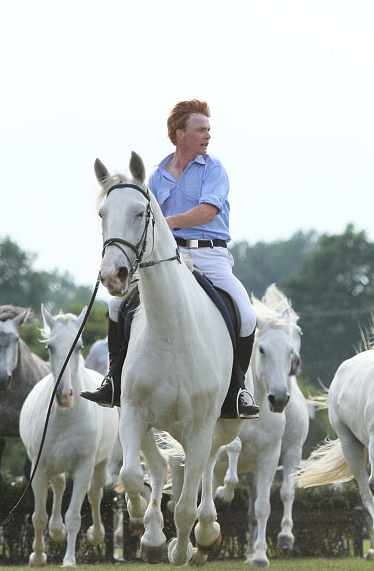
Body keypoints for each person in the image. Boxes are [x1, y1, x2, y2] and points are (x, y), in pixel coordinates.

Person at [82, 99, 259, 419]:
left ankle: (237, 390)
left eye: (209, 129)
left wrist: (168, 223)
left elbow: (208, 211)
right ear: (179, 134)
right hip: (168, 258)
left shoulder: (213, 168)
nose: (207, 135)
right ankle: (114, 380)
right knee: (116, 306)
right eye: (200, 129)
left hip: (210, 255)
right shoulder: (157, 178)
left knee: (246, 315)